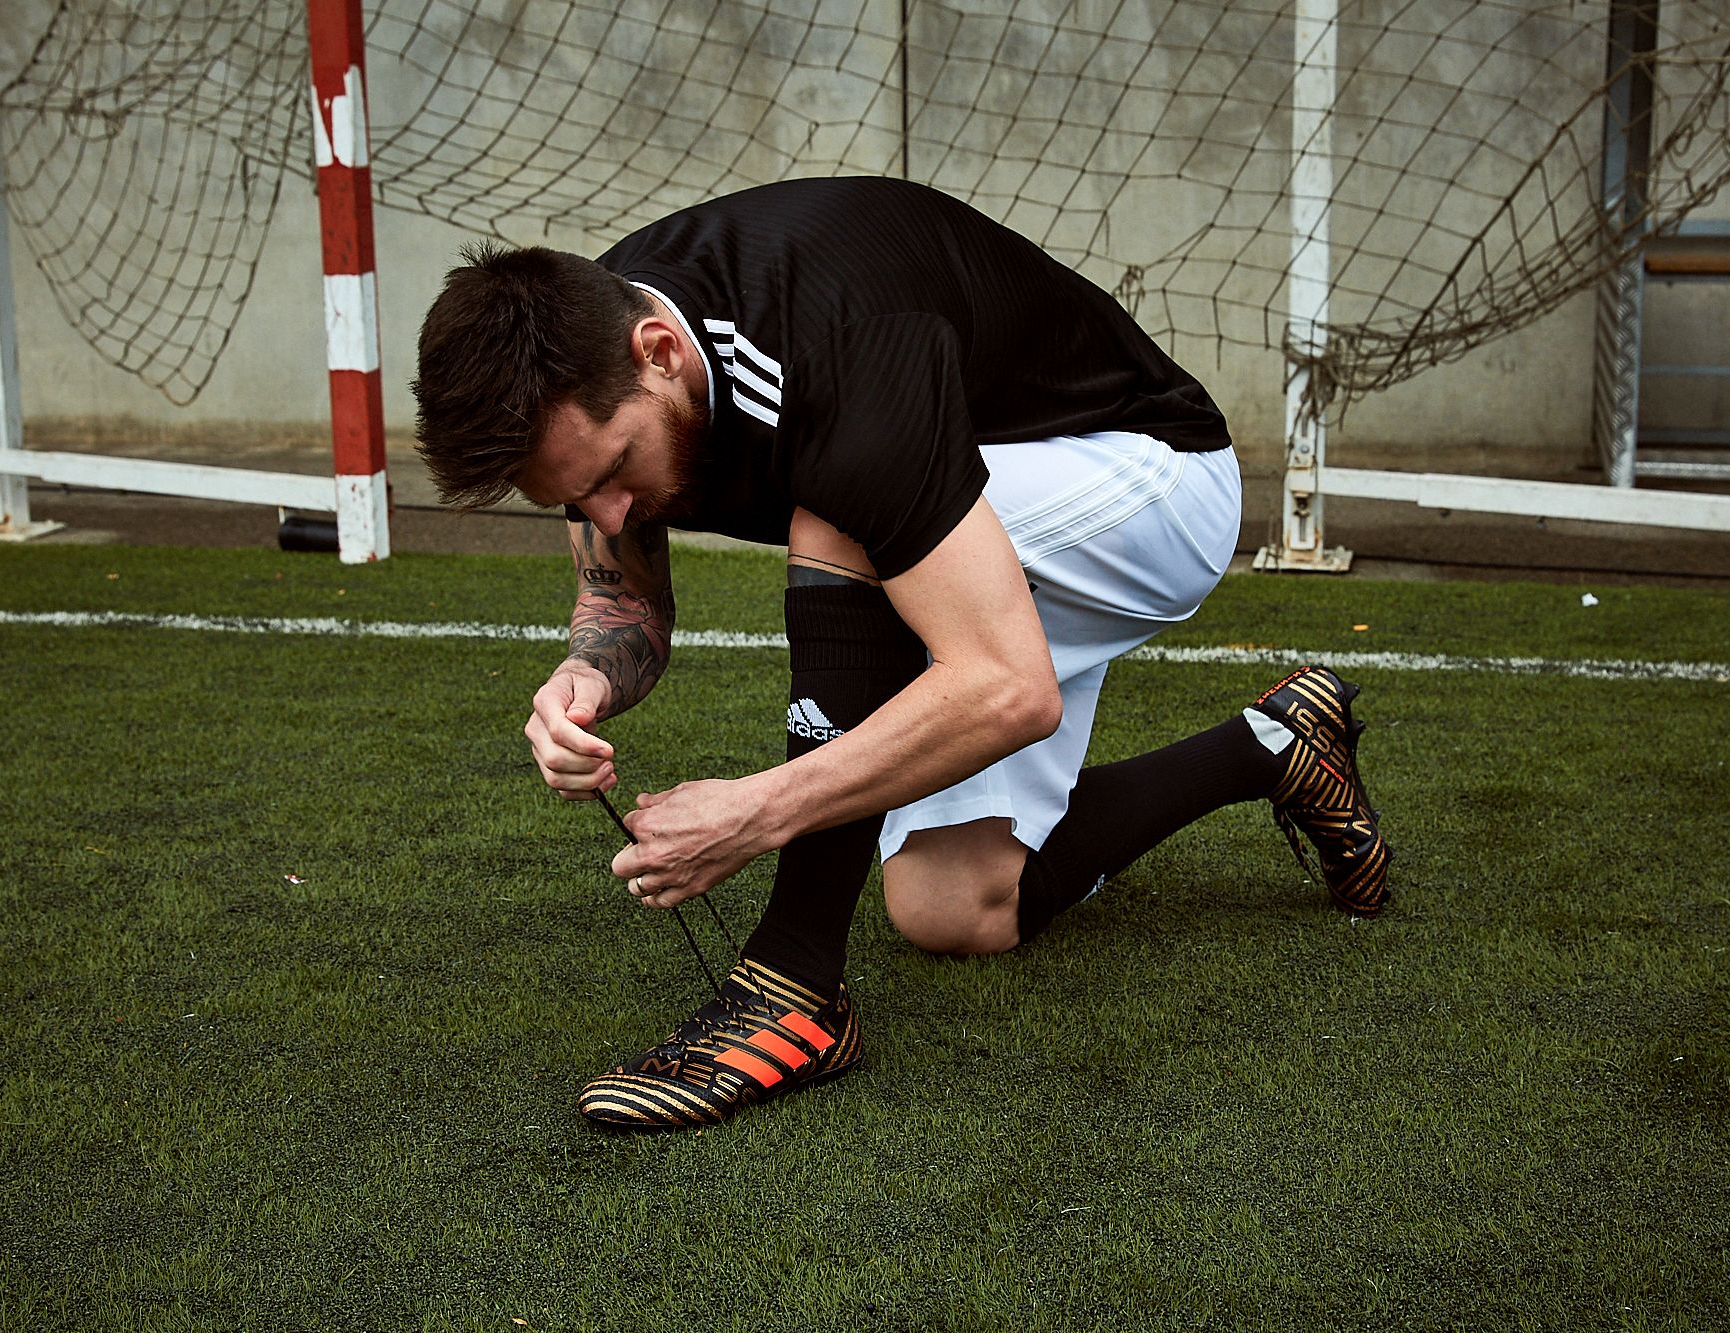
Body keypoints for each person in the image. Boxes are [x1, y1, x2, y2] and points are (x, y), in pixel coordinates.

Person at [411, 176, 1391, 1131]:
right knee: (952, 907)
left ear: (658, 350)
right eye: (573, 500)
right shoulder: (596, 344)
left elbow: (1008, 689)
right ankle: (1271, 743)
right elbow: (619, 599)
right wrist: (582, 677)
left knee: (838, 518)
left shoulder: (836, 347)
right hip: (962, 512)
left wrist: (754, 811)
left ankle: (791, 987)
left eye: (615, 471)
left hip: (1147, 481)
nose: (609, 513)